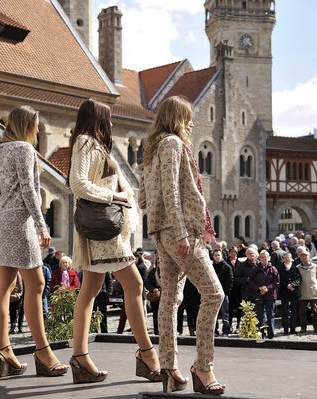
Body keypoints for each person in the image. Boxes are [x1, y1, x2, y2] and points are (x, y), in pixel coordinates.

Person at [69, 99, 160, 385]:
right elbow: (78, 183)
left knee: (89, 292)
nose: (111, 123)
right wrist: (116, 196)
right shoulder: (85, 142)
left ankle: (80, 357)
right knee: (134, 285)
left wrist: (123, 192)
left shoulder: (94, 144)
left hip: (104, 231)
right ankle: (147, 354)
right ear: (97, 119)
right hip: (103, 233)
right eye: (107, 118)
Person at [139, 96, 225, 394]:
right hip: (182, 231)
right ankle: (203, 367)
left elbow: (143, 199)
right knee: (214, 294)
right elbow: (172, 192)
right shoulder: (174, 144)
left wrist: (165, 227)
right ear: (176, 118)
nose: (192, 123)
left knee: (170, 299)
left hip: (161, 232)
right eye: (188, 117)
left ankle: (169, 369)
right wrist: (180, 232)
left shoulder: (152, 148)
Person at [0, 105, 68, 378]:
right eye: (35, 124)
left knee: (4, 287)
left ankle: (4, 351)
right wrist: (42, 224)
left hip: (0, 222)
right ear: (27, 126)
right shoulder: (24, 149)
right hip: (20, 222)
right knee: (36, 284)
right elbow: (30, 191)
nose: (36, 130)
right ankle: (43, 352)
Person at [248, 250, 280, 339]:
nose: (263, 258)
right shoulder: (255, 269)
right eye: (261, 257)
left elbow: (276, 282)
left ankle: (271, 335)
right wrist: (259, 287)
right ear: (259, 258)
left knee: (270, 316)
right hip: (259, 295)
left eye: (265, 257)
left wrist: (267, 288)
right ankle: (261, 334)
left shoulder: (273, 269)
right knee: (260, 316)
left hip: (270, 295)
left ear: (268, 258)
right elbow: (251, 281)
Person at [297, 247, 317, 333]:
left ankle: (316, 327)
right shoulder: (298, 268)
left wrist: (313, 285)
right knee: (302, 312)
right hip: (302, 292)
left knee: (315, 311)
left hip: (313, 292)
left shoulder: (315, 267)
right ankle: (303, 327)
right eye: (302, 256)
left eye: (305, 256)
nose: (304, 258)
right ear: (300, 257)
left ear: (309, 257)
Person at [277, 252, 301, 335]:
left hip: (294, 292)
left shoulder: (295, 268)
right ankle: (286, 329)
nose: (287, 259)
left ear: (291, 258)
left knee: (294, 311)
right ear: (283, 259)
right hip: (284, 292)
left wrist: (293, 285)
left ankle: (293, 328)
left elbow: (299, 279)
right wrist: (287, 285)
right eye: (286, 258)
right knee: (285, 312)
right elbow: (278, 280)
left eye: (288, 258)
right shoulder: (280, 268)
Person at [212, 250, 233, 336]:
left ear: (222, 256)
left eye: (218, 255)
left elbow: (230, 281)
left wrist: (226, 293)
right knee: (214, 314)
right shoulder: (211, 266)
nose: (217, 257)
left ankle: (225, 331)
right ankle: (215, 330)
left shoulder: (227, 267)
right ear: (213, 257)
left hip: (224, 294)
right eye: (215, 255)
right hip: (213, 294)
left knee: (225, 314)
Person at [144, 263, 162, 335]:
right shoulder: (153, 272)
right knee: (156, 315)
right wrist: (153, 289)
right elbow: (147, 283)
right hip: (156, 297)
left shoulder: (169, 271)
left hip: (166, 296)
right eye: (158, 262)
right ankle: (157, 332)